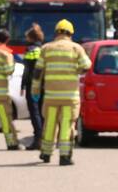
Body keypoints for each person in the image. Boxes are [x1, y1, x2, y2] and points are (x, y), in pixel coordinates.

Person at [31, 19, 91, 165]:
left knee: (50, 123)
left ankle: (45, 153)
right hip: (70, 97)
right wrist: (76, 70)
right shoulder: (76, 48)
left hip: (51, 96)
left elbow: (38, 71)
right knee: (67, 125)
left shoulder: (46, 48)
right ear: (70, 33)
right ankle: (64, 156)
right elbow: (87, 65)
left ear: (56, 32)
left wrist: (35, 89)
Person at [20, 23, 45, 149]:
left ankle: (38, 139)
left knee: (34, 112)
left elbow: (27, 71)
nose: (26, 40)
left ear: (31, 38)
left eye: (27, 38)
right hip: (44, 85)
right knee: (42, 112)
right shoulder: (44, 49)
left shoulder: (30, 51)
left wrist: (22, 86)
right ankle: (43, 137)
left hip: (32, 86)